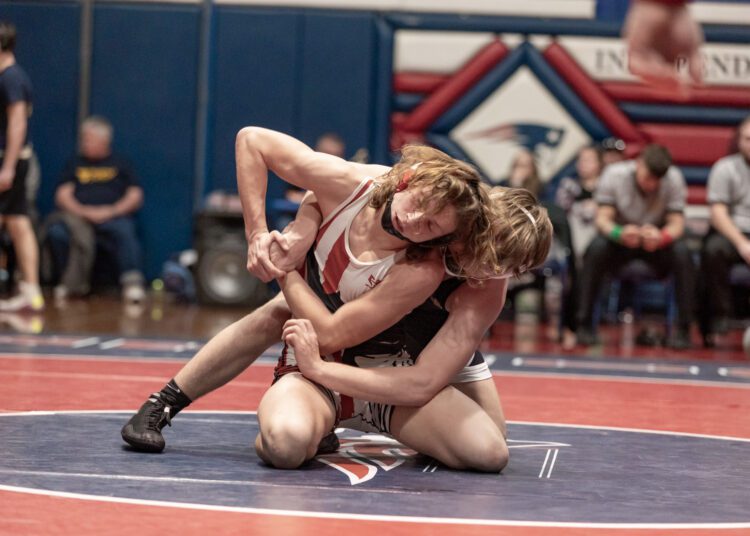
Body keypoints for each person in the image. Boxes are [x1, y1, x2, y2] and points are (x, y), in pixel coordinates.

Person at [122, 127, 551, 472]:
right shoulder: (422, 211)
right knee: (281, 316)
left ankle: (351, 417)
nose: (486, 268)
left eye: (505, 268)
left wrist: (285, 269)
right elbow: (335, 190)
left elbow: (421, 381)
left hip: (405, 360)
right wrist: (294, 227)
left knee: (490, 448)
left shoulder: (465, 278)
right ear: (476, 227)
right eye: (488, 252)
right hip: (348, 337)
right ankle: (167, 400)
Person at [575, 144, 694, 349]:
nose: (651, 184)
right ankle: (583, 325)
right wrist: (619, 233)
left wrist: (661, 237)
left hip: (655, 244)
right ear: (638, 164)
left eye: (657, 180)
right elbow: (602, 219)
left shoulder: (674, 178)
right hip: (620, 241)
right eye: (648, 177)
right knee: (595, 249)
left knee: (683, 253)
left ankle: (684, 330)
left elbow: (677, 223)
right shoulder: (615, 174)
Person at [45, 116, 146, 302]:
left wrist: (111, 211)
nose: (84, 144)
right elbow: (62, 195)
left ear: (104, 141)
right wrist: (83, 212)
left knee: (125, 231)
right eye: (83, 139)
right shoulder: (75, 163)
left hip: (113, 217)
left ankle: (132, 284)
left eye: (89, 139)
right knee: (57, 233)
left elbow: (135, 196)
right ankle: (69, 283)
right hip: (79, 217)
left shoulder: (121, 163)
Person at [0, 22, 44, 313]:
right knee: (17, 221)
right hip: (12, 159)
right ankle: (31, 289)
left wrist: (8, 167)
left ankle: (31, 288)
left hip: (10, 159)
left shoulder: (11, 78)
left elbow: (18, 123)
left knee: (18, 221)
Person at [700, 116, 750, 339]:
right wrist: (742, 244)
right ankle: (720, 315)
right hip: (733, 233)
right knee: (713, 249)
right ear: (739, 140)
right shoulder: (725, 167)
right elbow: (718, 213)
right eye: (748, 139)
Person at [623, 0, 703, 91]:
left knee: (637, 57)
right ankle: (692, 77)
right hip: (681, 14)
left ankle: (667, 73)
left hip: (650, 9)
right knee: (693, 55)